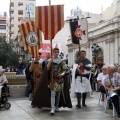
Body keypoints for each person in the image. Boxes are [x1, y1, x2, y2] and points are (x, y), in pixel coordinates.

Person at [31, 48, 72, 115]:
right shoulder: (50, 61)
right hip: (52, 80)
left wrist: (61, 74)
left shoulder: (61, 61)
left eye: (57, 52)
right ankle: (52, 108)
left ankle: (56, 106)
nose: (56, 53)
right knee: (53, 94)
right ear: (53, 52)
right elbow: (46, 70)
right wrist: (50, 63)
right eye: (55, 52)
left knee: (58, 94)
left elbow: (66, 70)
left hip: (59, 80)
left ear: (58, 53)